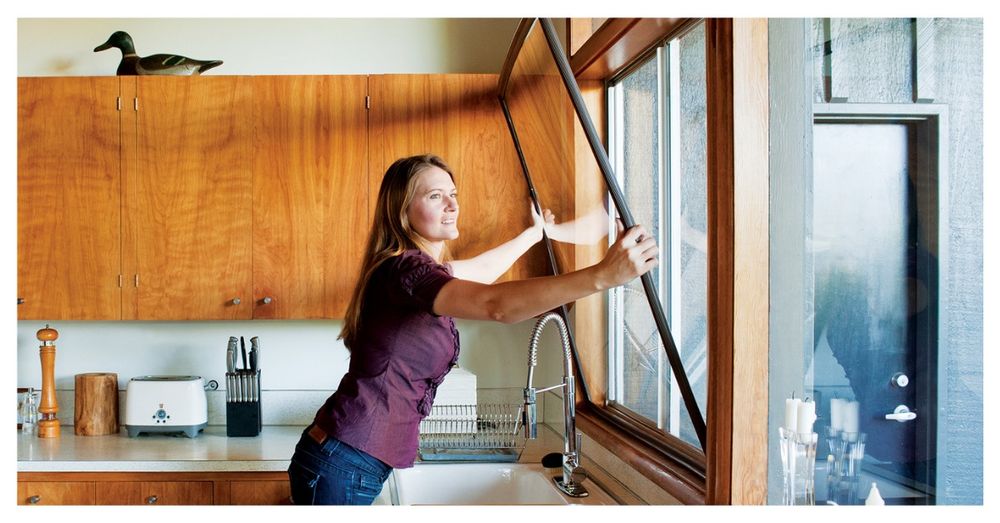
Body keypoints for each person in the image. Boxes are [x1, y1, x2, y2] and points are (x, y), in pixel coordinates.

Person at [287, 154, 658, 505]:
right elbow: (493, 305)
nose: (452, 205)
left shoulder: (414, 270)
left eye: (454, 194)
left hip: (345, 457)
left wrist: (535, 234)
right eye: (436, 196)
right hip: (343, 461)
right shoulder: (406, 270)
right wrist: (600, 276)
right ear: (402, 210)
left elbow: (481, 271)